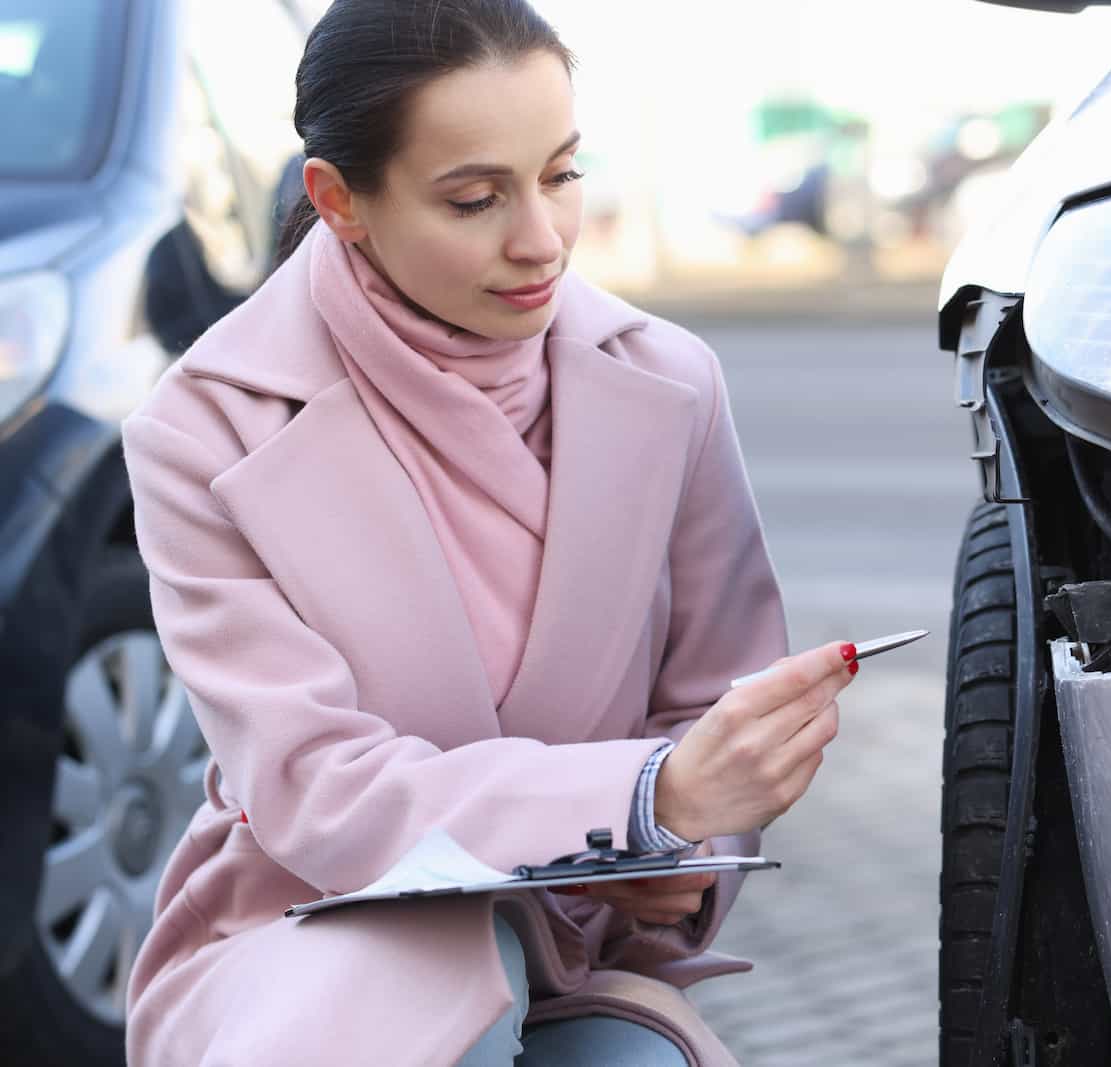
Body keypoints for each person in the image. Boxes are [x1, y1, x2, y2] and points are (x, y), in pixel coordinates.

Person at [120, 2, 860, 1063]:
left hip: (583, 941)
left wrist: (684, 844)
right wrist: (639, 796)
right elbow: (316, 786)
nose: (540, 239)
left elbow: (709, 710)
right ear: (338, 199)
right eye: (475, 199)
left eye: (561, 175)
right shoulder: (205, 427)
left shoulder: (671, 379)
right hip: (309, 933)